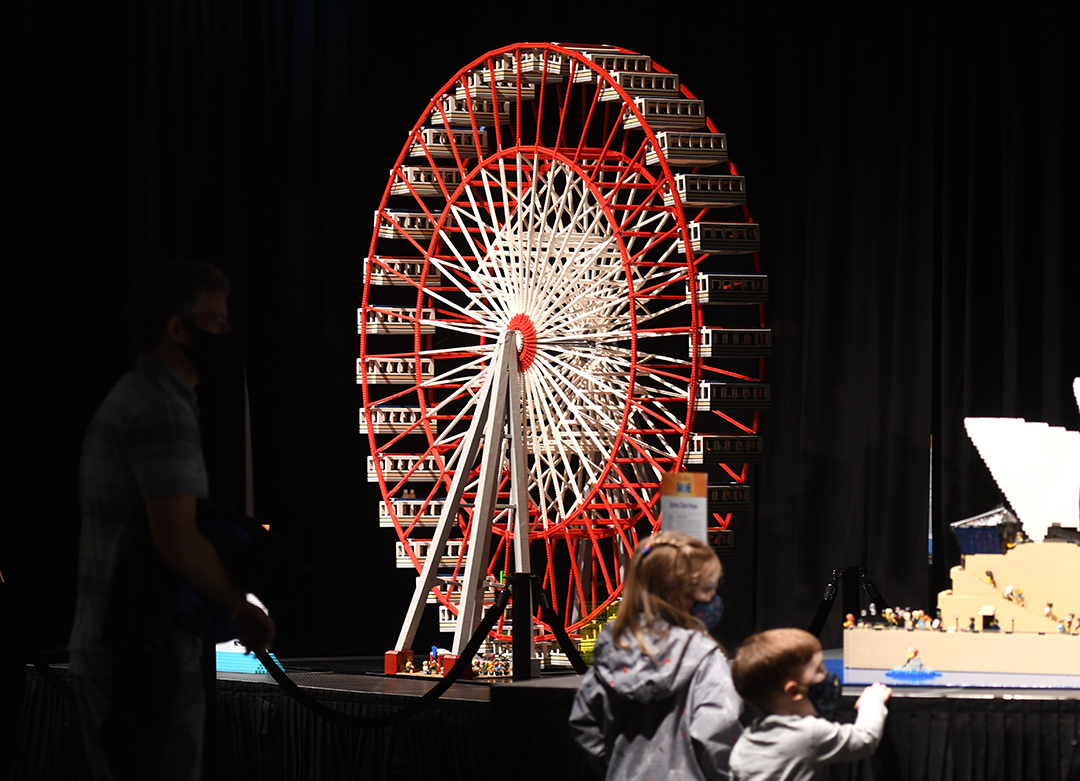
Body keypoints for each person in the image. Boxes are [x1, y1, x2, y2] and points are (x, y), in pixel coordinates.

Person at [68, 262, 275, 781]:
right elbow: (176, 539)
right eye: (218, 322)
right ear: (177, 328)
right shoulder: (161, 409)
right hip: (141, 660)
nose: (227, 335)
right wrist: (240, 606)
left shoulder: (137, 397)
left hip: (121, 651)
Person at [569, 530, 742, 780]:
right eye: (708, 588)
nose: (712, 598)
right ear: (682, 595)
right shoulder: (703, 657)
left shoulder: (612, 651)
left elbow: (584, 724)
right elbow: (717, 730)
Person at [729, 628, 891, 781]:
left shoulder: (744, 743)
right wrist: (872, 703)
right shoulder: (809, 733)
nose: (827, 675)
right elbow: (864, 740)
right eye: (820, 670)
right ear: (793, 691)